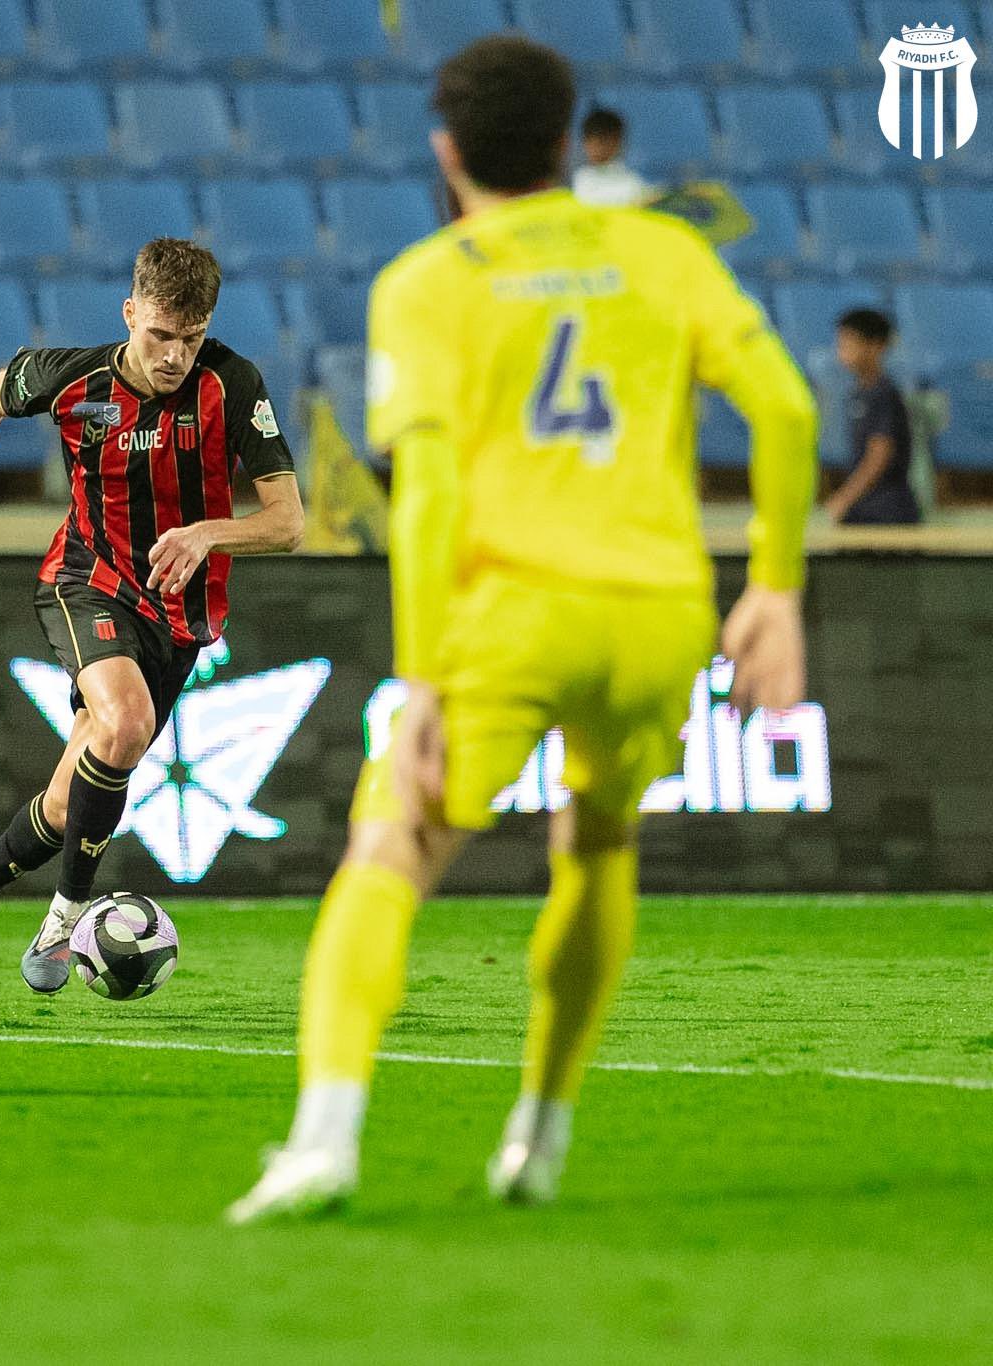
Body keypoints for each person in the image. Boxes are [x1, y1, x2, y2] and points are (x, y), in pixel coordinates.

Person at [228, 35, 815, 1220]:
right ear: (563, 142)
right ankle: (539, 1135)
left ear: (444, 150)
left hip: (512, 615)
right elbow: (788, 409)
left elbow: (430, 495)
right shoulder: (663, 250)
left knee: (390, 851)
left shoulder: (424, 283)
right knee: (597, 843)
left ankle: (323, 1140)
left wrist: (422, 678)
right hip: (656, 614)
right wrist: (773, 588)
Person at [0, 239, 305, 992]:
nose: (175, 356)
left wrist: (207, 533)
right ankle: (66, 918)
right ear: (130, 312)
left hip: (179, 614)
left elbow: (289, 523)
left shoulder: (232, 384)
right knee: (128, 722)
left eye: (191, 338)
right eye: (160, 335)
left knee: (66, 800)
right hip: (88, 580)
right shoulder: (74, 378)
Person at [828, 308, 922, 525]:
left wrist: (845, 497)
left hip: (887, 511)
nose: (842, 350)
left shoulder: (884, 394)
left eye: (850, 343)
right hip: (862, 508)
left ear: (876, 346)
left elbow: (879, 454)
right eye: (840, 342)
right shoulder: (857, 393)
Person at [570, 107, 650, 208]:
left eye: (602, 141)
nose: (595, 148)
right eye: (589, 141)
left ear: (617, 141)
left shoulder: (632, 183)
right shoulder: (580, 177)